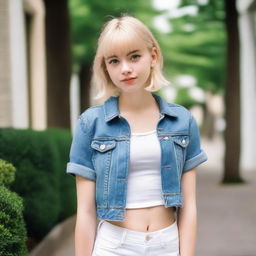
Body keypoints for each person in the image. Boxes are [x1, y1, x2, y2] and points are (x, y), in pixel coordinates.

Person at [66, 14, 208, 256]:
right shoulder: (91, 123)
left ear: (153, 56)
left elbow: (189, 207)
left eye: (134, 56)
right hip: (114, 247)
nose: (126, 69)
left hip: (167, 245)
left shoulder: (182, 121)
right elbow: (86, 212)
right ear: (105, 68)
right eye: (114, 61)